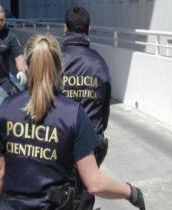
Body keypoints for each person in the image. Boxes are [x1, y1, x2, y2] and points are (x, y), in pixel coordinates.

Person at [0, 34, 145, 210]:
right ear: (61, 68)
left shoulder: (7, 107)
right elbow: (95, 183)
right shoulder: (73, 114)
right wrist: (131, 192)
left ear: (26, 66)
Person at [61, 6, 111, 209]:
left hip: (59, 143)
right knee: (85, 196)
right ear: (89, 30)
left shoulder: (55, 60)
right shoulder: (99, 63)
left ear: (65, 29)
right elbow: (104, 109)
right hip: (91, 145)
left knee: (59, 196)